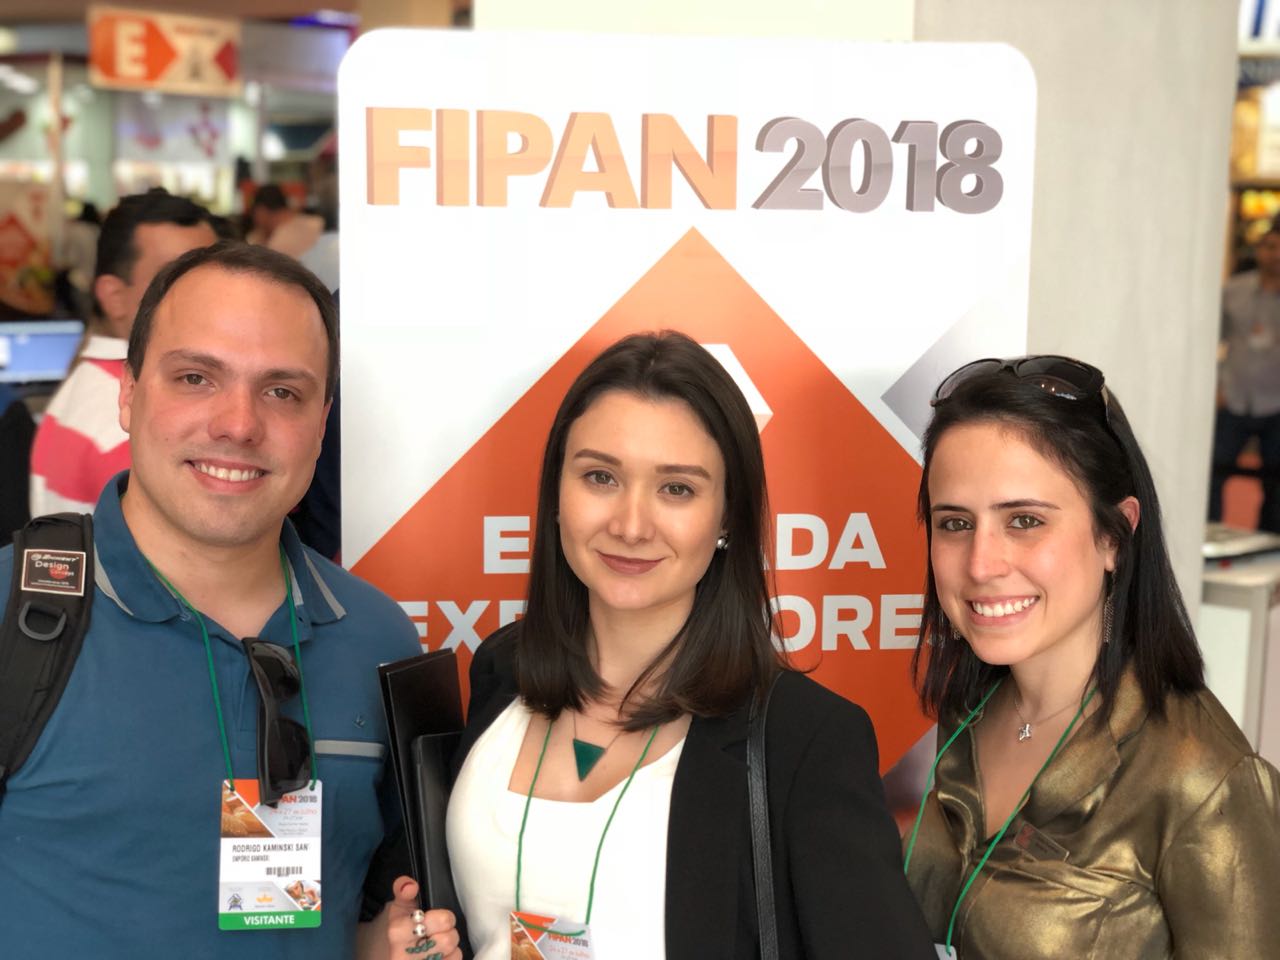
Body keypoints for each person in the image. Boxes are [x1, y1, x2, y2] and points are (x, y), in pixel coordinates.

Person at [387, 331, 935, 959]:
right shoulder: (502, 668)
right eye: (600, 477)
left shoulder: (804, 739)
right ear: (557, 495)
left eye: (676, 488)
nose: (630, 524)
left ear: (727, 516)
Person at [0, 241, 457, 960]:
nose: (238, 424)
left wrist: (380, 943)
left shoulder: (379, 639)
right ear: (128, 392)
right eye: (196, 377)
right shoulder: (14, 618)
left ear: (322, 421)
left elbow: (369, 901)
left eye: (282, 392)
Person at [903, 356, 1280, 958]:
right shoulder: (968, 706)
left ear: (1114, 536)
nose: (980, 564)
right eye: (954, 524)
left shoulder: (1206, 780)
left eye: (1024, 520)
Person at [29, 191, 217, 516]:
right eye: (175, 279)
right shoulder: (133, 419)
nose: (212, 296)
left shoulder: (96, 383)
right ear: (114, 296)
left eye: (215, 275)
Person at [1209, 223, 1280, 531]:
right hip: (1234, 398)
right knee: (1213, 473)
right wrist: (1215, 385)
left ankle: (1271, 543)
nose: (1275, 255)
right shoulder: (1234, 291)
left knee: (1276, 487)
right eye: (1270, 247)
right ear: (1259, 250)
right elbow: (1210, 340)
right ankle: (1212, 534)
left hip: (1276, 405)